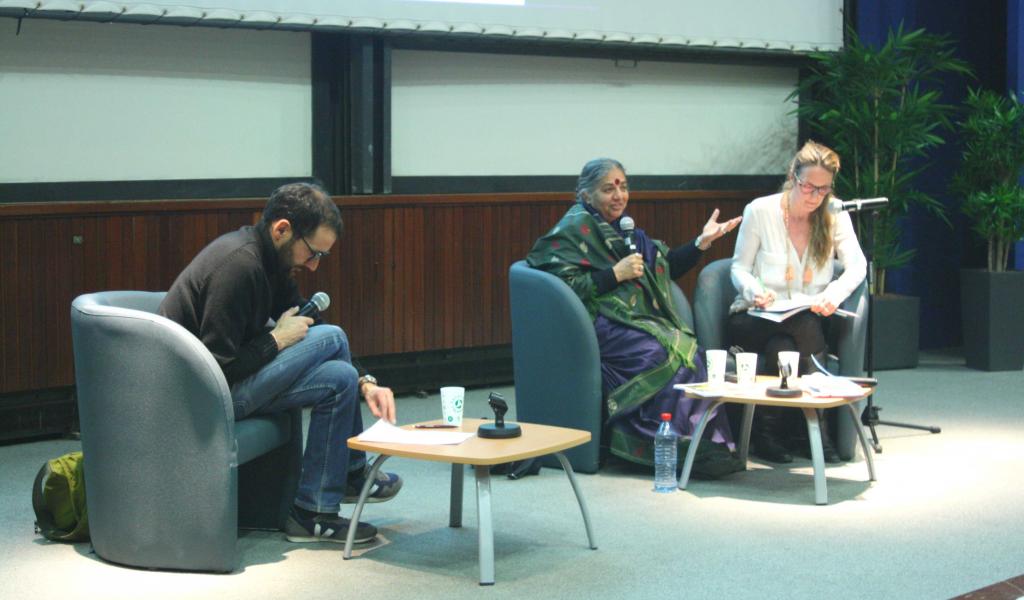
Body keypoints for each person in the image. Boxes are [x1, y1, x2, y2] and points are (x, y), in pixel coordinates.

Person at [159, 182, 402, 545]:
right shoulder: (237, 266)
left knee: (341, 376)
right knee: (333, 337)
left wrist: (365, 380)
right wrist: (276, 339)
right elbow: (216, 368)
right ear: (282, 229)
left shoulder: (272, 263)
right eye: (313, 253)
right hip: (206, 399)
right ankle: (351, 473)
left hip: (233, 383)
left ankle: (312, 512)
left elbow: (311, 327)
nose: (314, 265)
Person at [527, 158, 744, 479]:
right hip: (594, 324)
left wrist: (702, 242)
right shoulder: (574, 231)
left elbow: (665, 265)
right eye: (608, 189)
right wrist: (614, 274)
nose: (619, 195)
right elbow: (564, 287)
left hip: (636, 321)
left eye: (623, 187)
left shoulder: (628, 232)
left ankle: (700, 443)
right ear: (587, 196)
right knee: (658, 352)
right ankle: (651, 444)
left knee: (688, 352)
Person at [726, 140, 867, 464]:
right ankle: (815, 428)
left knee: (784, 344)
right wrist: (753, 291)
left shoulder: (834, 213)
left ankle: (768, 433)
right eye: (808, 187)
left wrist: (833, 295)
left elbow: (858, 266)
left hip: (805, 319)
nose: (815, 197)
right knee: (798, 327)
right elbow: (739, 268)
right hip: (753, 318)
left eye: (823, 190)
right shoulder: (760, 211)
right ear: (793, 176)